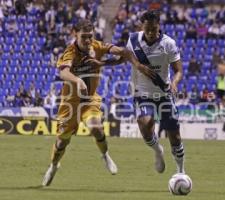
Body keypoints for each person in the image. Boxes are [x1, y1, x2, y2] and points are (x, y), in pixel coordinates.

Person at [42, 19, 150, 186]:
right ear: (74, 33)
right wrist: (78, 81)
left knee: (96, 129)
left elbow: (125, 53)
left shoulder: (97, 47)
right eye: (83, 36)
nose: (87, 40)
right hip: (69, 105)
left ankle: (105, 155)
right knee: (63, 141)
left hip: (90, 100)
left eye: (90, 36)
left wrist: (105, 62)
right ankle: (54, 165)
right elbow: (63, 73)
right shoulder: (70, 52)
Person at [126, 10, 186, 174]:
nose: (151, 33)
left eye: (154, 29)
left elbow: (179, 70)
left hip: (164, 94)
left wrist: (174, 82)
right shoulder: (133, 40)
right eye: (148, 29)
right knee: (145, 123)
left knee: (175, 136)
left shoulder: (169, 44)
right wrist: (137, 65)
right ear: (142, 27)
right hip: (143, 94)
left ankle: (180, 171)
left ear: (159, 26)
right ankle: (158, 150)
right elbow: (126, 55)